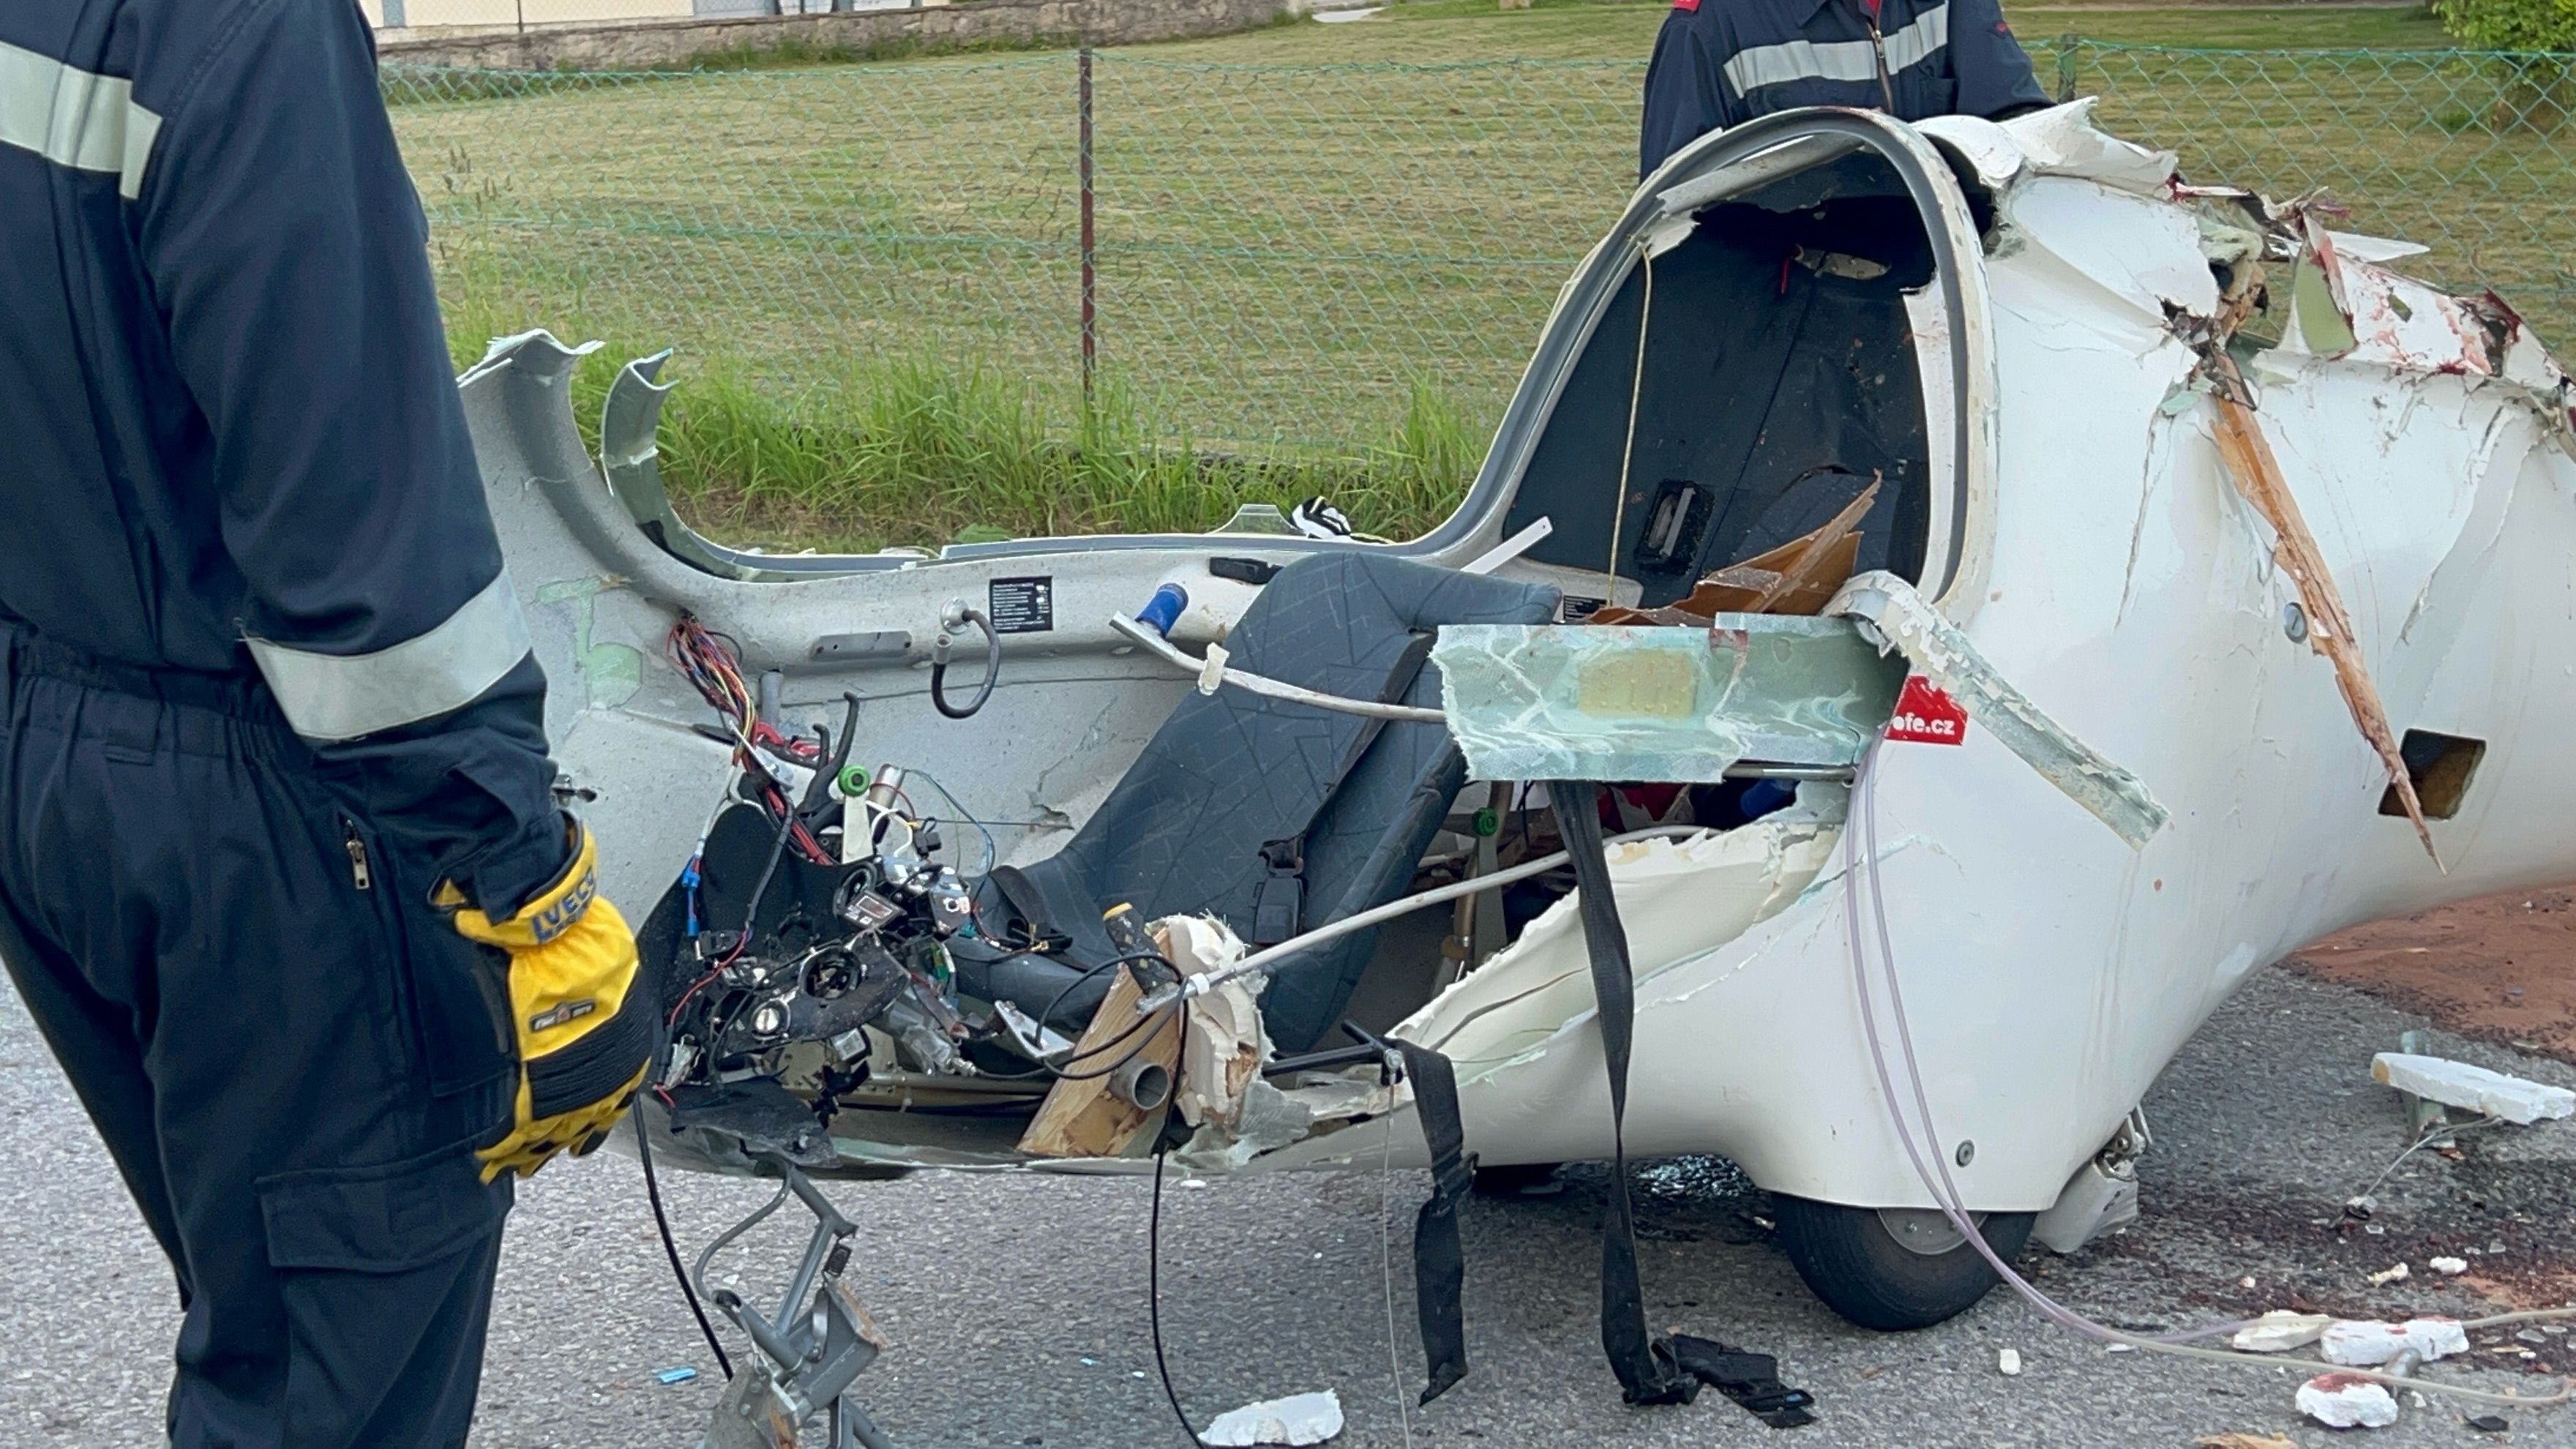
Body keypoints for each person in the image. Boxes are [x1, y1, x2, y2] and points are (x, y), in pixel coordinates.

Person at [0, 2, 656, 1444]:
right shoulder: (246, 26)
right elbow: (364, 571)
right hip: (265, 806)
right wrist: (529, 892)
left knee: (266, 1302)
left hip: (43, 731)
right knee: (324, 1382)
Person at [1640, 0, 2052, 178]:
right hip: (1794, 303)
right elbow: (1671, 218)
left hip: (1954, 278)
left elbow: (2019, 128)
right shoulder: (1706, 27)